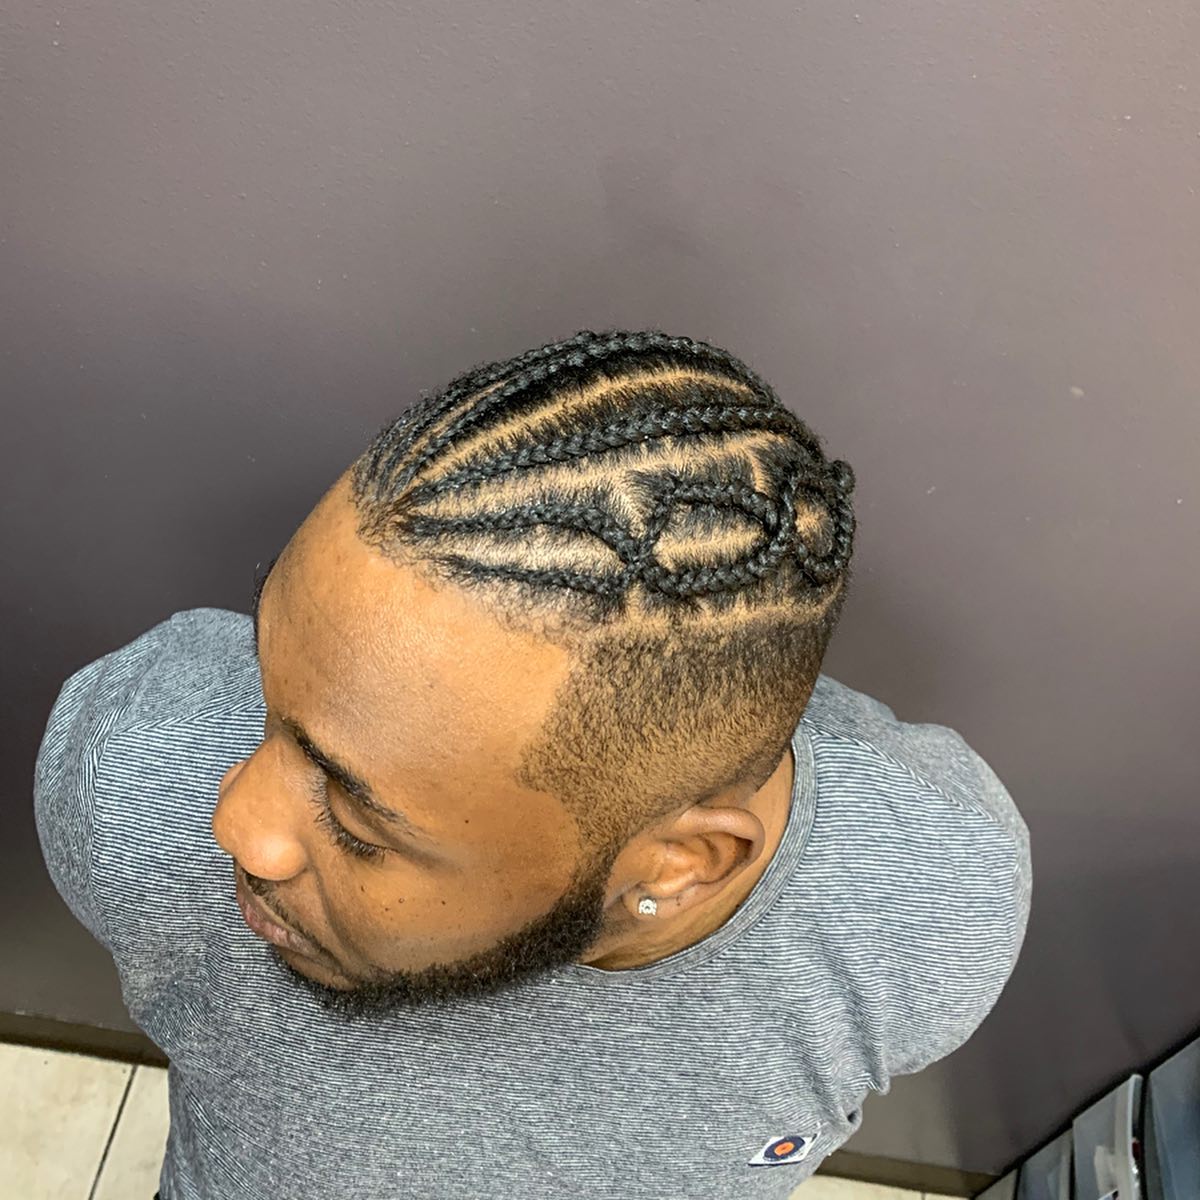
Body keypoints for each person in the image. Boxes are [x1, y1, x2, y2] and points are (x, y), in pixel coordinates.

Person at [34, 328, 1031, 1200]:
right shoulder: (137, 771)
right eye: (269, 688)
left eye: (356, 820)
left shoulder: (927, 909)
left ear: (682, 865)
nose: (236, 824)